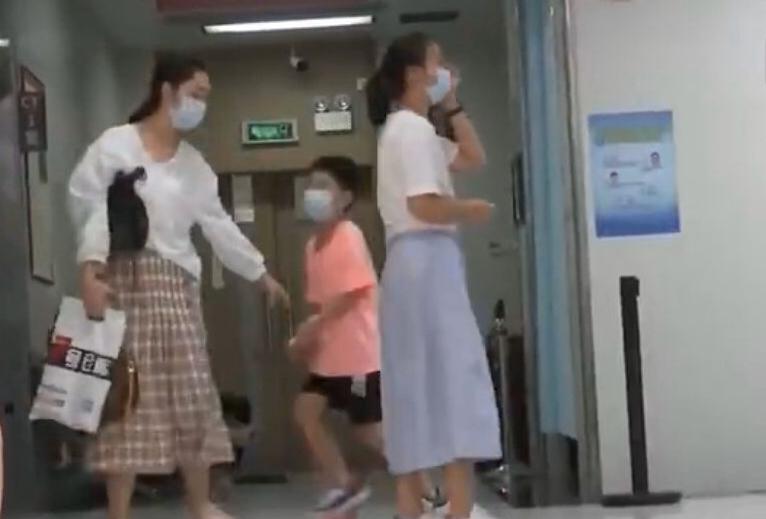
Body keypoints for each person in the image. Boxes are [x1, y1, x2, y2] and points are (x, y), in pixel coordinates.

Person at [68, 53, 288, 519]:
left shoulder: (194, 165)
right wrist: (90, 268)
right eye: (196, 94)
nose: (200, 105)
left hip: (176, 285)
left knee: (192, 391)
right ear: (167, 91)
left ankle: (199, 502)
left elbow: (218, 224)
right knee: (126, 397)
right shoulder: (115, 145)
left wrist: (259, 272)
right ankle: (118, 512)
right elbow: (90, 207)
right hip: (124, 279)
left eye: (205, 97)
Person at [366, 32, 501, 519]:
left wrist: (453, 104)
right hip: (427, 263)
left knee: (413, 388)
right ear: (413, 75)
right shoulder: (414, 132)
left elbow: (473, 156)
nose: (445, 71)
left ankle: (412, 507)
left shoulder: (405, 130)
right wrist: (470, 210)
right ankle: (458, 509)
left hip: (410, 267)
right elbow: (423, 205)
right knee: (454, 382)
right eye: (437, 63)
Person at [289, 156, 383, 515]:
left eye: (323, 186)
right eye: (311, 185)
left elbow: (350, 294)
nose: (314, 193)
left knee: (370, 433)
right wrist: (307, 341)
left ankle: (430, 491)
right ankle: (343, 486)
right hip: (328, 359)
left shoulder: (349, 235)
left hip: (358, 357)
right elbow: (320, 303)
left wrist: (312, 327)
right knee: (306, 411)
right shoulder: (312, 246)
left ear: (345, 197)